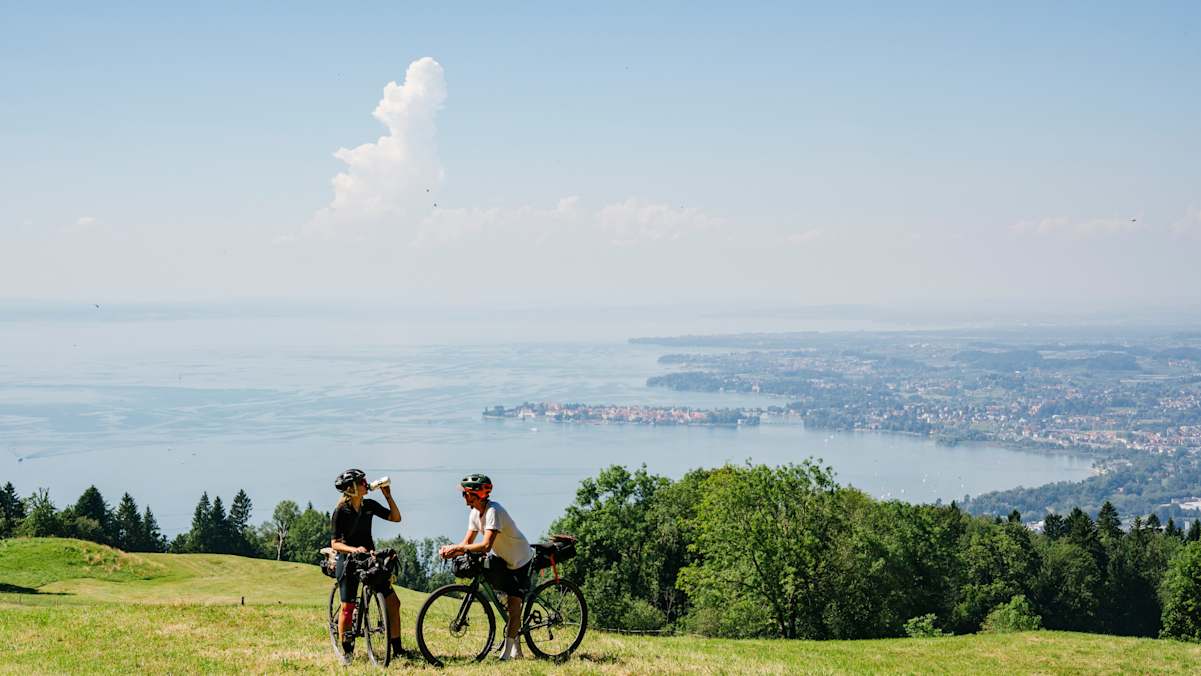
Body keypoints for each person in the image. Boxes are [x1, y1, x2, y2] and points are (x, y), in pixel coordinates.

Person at [439, 473, 532, 661]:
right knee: (506, 603)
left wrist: (459, 547)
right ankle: (516, 647)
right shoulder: (474, 513)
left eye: (465, 494)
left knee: (514, 607)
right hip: (503, 559)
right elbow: (467, 542)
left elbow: (485, 546)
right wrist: (450, 550)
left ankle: (507, 655)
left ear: (476, 494)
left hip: (520, 561)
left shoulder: (493, 512)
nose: (463, 497)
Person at [329, 468, 403, 664]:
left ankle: (398, 649)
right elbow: (334, 543)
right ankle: (347, 652)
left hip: (369, 560)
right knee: (347, 607)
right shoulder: (340, 511)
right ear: (351, 488)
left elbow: (396, 517)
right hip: (349, 561)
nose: (366, 484)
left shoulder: (368, 505)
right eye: (362, 482)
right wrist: (353, 550)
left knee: (393, 603)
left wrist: (388, 496)